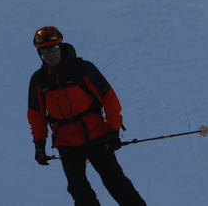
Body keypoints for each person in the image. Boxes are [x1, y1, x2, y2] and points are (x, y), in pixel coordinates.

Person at [27, 26, 147, 206]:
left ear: (60, 47)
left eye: (53, 49)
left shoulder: (82, 70)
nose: (50, 54)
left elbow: (110, 100)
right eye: (44, 51)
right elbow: (36, 116)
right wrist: (39, 145)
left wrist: (113, 131)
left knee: (116, 183)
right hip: (66, 143)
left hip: (97, 136)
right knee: (79, 191)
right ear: (40, 54)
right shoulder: (39, 81)